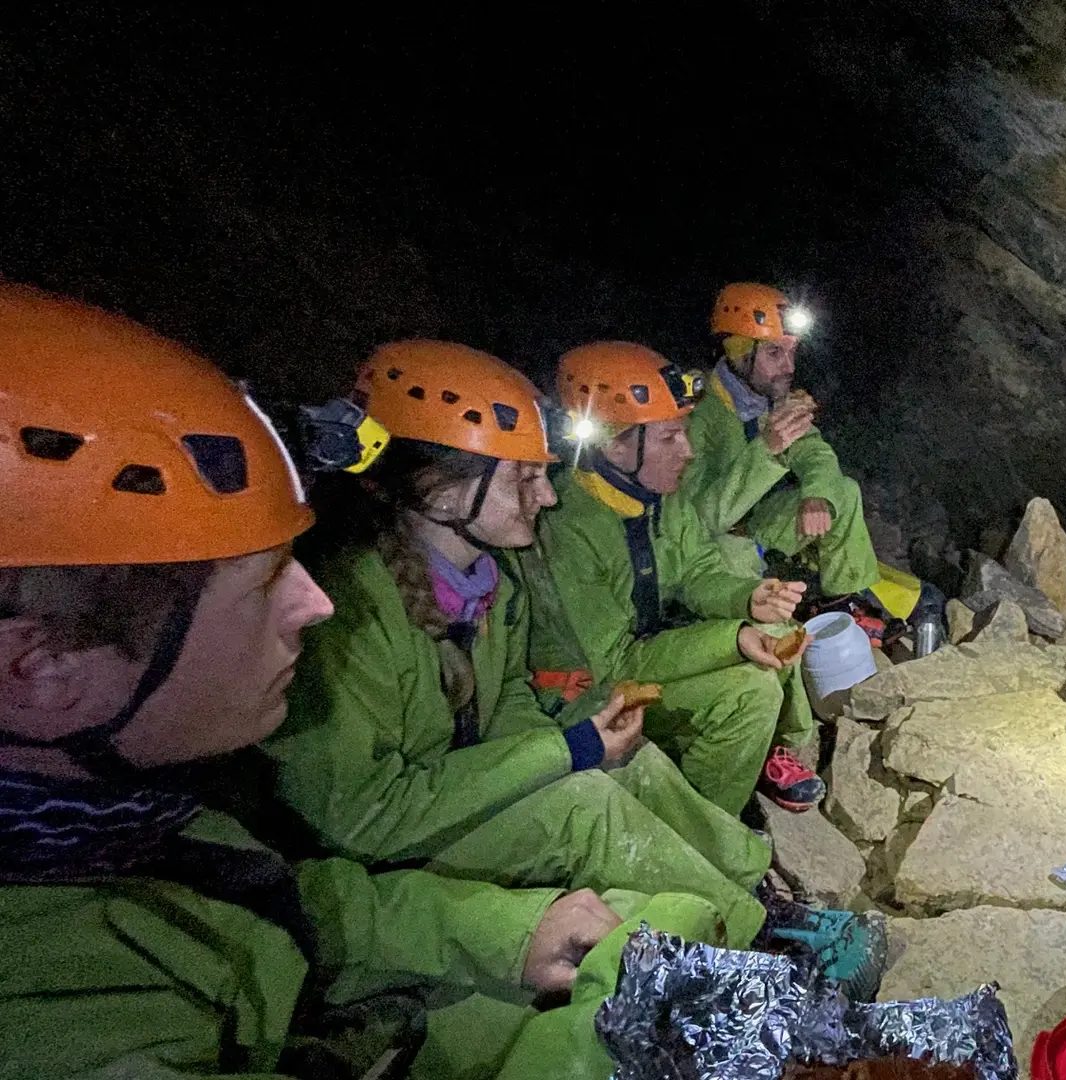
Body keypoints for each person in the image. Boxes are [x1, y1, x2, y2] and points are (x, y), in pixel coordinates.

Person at [0, 285, 724, 1079]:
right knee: (611, 882)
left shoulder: (120, 818)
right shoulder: (53, 997)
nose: (314, 602)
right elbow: (354, 822)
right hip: (378, 872)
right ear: (41, 667)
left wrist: (504, 924)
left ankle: (751, 931)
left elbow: (288, 900)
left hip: (349, 935)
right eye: (260, 583)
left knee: (637, 896)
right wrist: (565, 754)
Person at [263, 339, 773, 950]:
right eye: (524, 476)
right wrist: (560, 755)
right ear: (442, 490)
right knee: (583, 808)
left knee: (627, 762)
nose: (549, 494)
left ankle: (749, 886)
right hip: (372, 857)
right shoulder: (348, 612)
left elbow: (505, 697)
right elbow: (359, 818)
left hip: (444, 794)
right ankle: (751, 938)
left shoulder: (490, 583)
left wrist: (571, 749)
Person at [531, 340, 822, 814]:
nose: (687, 451)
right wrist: (732, 637)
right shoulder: (568, 528)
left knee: (775, 630)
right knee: (752, 691)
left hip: (645, 656)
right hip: (592, 697)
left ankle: (748, 769)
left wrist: (748, 598)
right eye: (669, 438)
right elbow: (614, 665)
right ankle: (706, 829)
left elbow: (698, 570)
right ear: (614, 444)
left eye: (684, 432)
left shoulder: (656, 494)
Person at [680, 282, 927, 641]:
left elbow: (814, 452)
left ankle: (842, 602)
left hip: (757, 525)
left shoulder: (770, 398)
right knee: (737, 565)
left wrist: (816, 494)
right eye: (774, 353)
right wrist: (767, 450)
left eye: (792, 352)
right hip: (711, 541)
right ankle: (766, 635)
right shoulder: (693, 412)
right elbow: (699, 520)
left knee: (842, 492)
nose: (789, 367)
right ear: (738, 352)